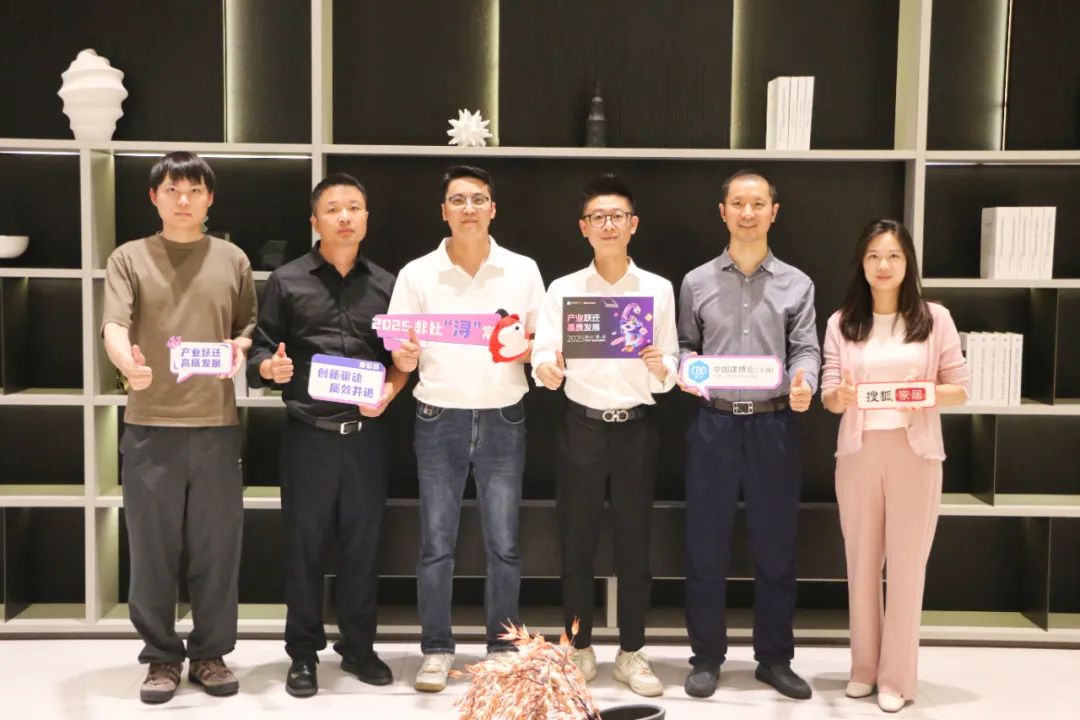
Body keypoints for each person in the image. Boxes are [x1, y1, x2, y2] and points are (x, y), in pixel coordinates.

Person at [101, 151, 257, 703]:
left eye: (194, 190)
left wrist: (239, 349)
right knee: (151, 550)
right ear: (154, 197)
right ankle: (161, 657)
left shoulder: (233, 259)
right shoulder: (128, 257)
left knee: (217, 549)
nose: (183, 199)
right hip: (150, 427)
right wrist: (128, 362)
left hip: (216, 425)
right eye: (172, 189)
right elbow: (113, 324)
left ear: (209, 198)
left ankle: (211, 653)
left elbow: (247, 327)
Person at [246, 173, 406, 697]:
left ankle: (358, 647)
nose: (344, 217)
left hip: (367, 435)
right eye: (333, 208)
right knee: (304, 547)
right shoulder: (287, 280)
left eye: (354, 207)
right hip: (308, 435)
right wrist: (269, 368)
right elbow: (260, 349)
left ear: (366, 218)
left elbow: (401, 359)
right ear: (315, 220)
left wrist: (392, 387)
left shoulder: (388, 285)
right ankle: (302, 653)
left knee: (364, 546)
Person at [388, 165, 545, 692]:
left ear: (493, 209)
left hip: (504, 414)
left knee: (504, 543)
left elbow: (543, 341)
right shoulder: (417, 273)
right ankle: (436, 648)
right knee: (436, 542)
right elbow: (400, 347)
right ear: (444, 211)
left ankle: (502, 648)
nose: (469, 208)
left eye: (478, 199)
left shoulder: (522, 269)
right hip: (438, 416)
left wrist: (530, 350)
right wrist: (403, 355)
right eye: (458, 200)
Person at [532, 173, 677, 697]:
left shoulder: (657, 289)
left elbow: (671, 363)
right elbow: (543, 352)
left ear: (633, 225)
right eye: (598, 217)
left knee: (635, 545)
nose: (608, 225)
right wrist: (546, 368)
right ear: (584, 228)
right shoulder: (564, 289)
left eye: (617, 216)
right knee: (576, 543)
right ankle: (579, 647)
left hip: (636, 428)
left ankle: (632, 652)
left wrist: (662, 366)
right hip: (582, 426)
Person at [677, 170, 820, 700]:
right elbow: (684, 343)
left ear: (773, 213)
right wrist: (686, 368)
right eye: (738, 203)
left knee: (776, 548)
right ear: (723, 212)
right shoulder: (696, 281)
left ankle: (775, 659)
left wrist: (806, 380)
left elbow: (805, 348)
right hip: (713, 422)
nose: (747, 213)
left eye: (758, 204)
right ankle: (706, 658)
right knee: (705, 547)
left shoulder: (797, 283)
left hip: (773, 423)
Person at [821, 218, 969, 713]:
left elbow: (960, 389)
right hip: (858, 453)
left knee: (907, 568)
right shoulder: (842, 322)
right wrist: (839, 396)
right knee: (861, 565)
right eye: (873, 256)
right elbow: (830, 393)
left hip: (915, 453)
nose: (883, 265)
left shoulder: (935, 318)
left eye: (893, 256)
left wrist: (920, 393)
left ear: (908, 264)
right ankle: (864, 668)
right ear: (861, 265)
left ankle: (897, 678)